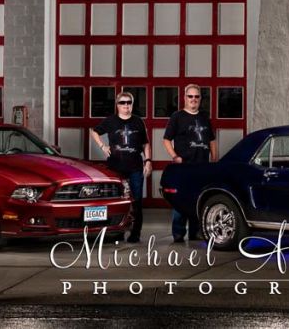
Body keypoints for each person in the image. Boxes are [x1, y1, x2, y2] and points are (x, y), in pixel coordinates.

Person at [90, 91, 151, 243]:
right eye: (122, 103)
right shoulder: (111, 121)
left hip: (135, 168)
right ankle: (116, 232)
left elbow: (145, 143)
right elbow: (94, 132)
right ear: (117, 105)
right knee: (116, 202)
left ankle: (135, 234)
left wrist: (148, 160)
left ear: (132, 104)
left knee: (136, 202)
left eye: (128, 102)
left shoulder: (138, 122)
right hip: (115, 168)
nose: (126, 105)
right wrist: (103, 146)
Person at [162, 83, 217, 243]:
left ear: (200, 99)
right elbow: (166, 140)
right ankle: (178, 233)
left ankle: (196, 232)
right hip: (184, 167)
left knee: (199, 200)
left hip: (202, 166)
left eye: (196, 96)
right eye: (190, 96)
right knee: (181, 200)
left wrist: (214, 158)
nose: (193, 99)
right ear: (185, 98)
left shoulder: (204, 117)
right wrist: (175, 156)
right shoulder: (177, 117)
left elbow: (212, 140)